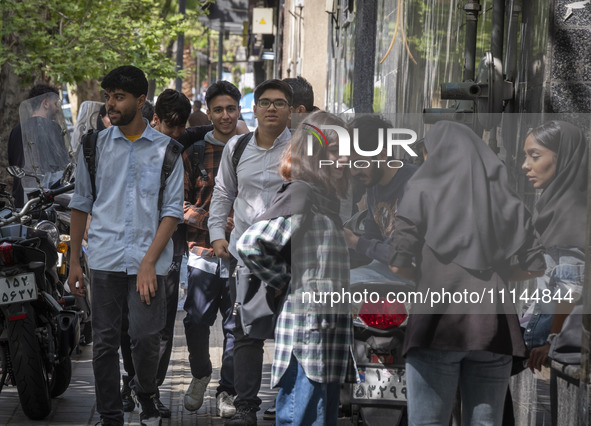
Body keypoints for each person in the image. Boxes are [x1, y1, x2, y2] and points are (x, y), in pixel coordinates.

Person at [388, 121, 545, 425]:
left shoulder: (420, 189)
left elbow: (397, 262)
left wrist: (426, 279)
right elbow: (535, 265)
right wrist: (496, 276)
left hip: (437, 326)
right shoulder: (506, 199)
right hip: (495, 330)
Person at [67, 65, 184, 426]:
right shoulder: (93, 146)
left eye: (119, 97)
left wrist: (149, 262)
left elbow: (171, 212)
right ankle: (110, 415)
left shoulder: (168, 151)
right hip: (104, 258)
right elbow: (81, 203)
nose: (111, 105)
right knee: (103, 343)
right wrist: (74, 262)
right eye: (108, 97)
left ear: (141, 101)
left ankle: (145, 391)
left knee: (146, 337)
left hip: (147, 264)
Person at [237, 111, 352, 425]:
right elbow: (249, 244)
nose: (342, 161)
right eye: (334, 152)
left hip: (325, 334)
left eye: (346, 153)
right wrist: (290, 281)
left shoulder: (323, 198)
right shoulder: (302, 193)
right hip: (308, 336)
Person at [208, 79, 293, 426]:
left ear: (290, 110)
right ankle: (246, 407)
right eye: (265, 102)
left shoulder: (302, 148)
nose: (272, 108)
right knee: (246, 334)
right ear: (254, 109)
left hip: (292, 256)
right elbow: (223, 193)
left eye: (280, 102)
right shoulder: (237, 148)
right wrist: (216, 235)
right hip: (246, 255)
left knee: (296, 333)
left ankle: (290, 404)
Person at [118, 88, 191, 418]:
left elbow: (216, 130)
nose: (176, 135)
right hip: (126, 245)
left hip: (168, 248)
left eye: (182, 129)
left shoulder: (180, 147)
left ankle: (149, 387)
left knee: (160, 324)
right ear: (154, 119)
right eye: (170, 127)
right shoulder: (132, 145)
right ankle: (129, 381)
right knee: (125, 322)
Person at [182, 81, 242, 418]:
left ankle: (228, 392)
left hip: (241, 256)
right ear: (209, 112)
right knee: (195, 320)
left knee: (236, 325)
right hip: (202, 253)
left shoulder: (250, 149)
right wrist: (214, 223)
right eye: (218, 109)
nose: (225, 115)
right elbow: (178, 204)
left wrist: (240, 225)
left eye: (230, 108)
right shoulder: (193, 153)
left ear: (238, 110)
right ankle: (201, 372)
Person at [520, 120, 587, 372]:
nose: (525, 165)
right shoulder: (556, 203)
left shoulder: (571, 212)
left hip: (560, 343)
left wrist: (552, 340)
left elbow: (571, 288)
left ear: (563, 158)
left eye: (534, 156)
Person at [343, 115, 417, 283]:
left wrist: (355, 242)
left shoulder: (414, 185)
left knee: (344, 285)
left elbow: (406, 256)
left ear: (382, 155)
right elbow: (371, 239)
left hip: (413, 272)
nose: (354, 172)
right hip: (385, 266)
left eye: (360, 163)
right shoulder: (374, 184)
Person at [8, 84, 63, 207]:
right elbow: (60, 165)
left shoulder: (16, 129)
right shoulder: (53, 128)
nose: (57, 109)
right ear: (45, 103)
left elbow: (13, 163)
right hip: (45, 198)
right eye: (55, 104)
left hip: (21, 198)